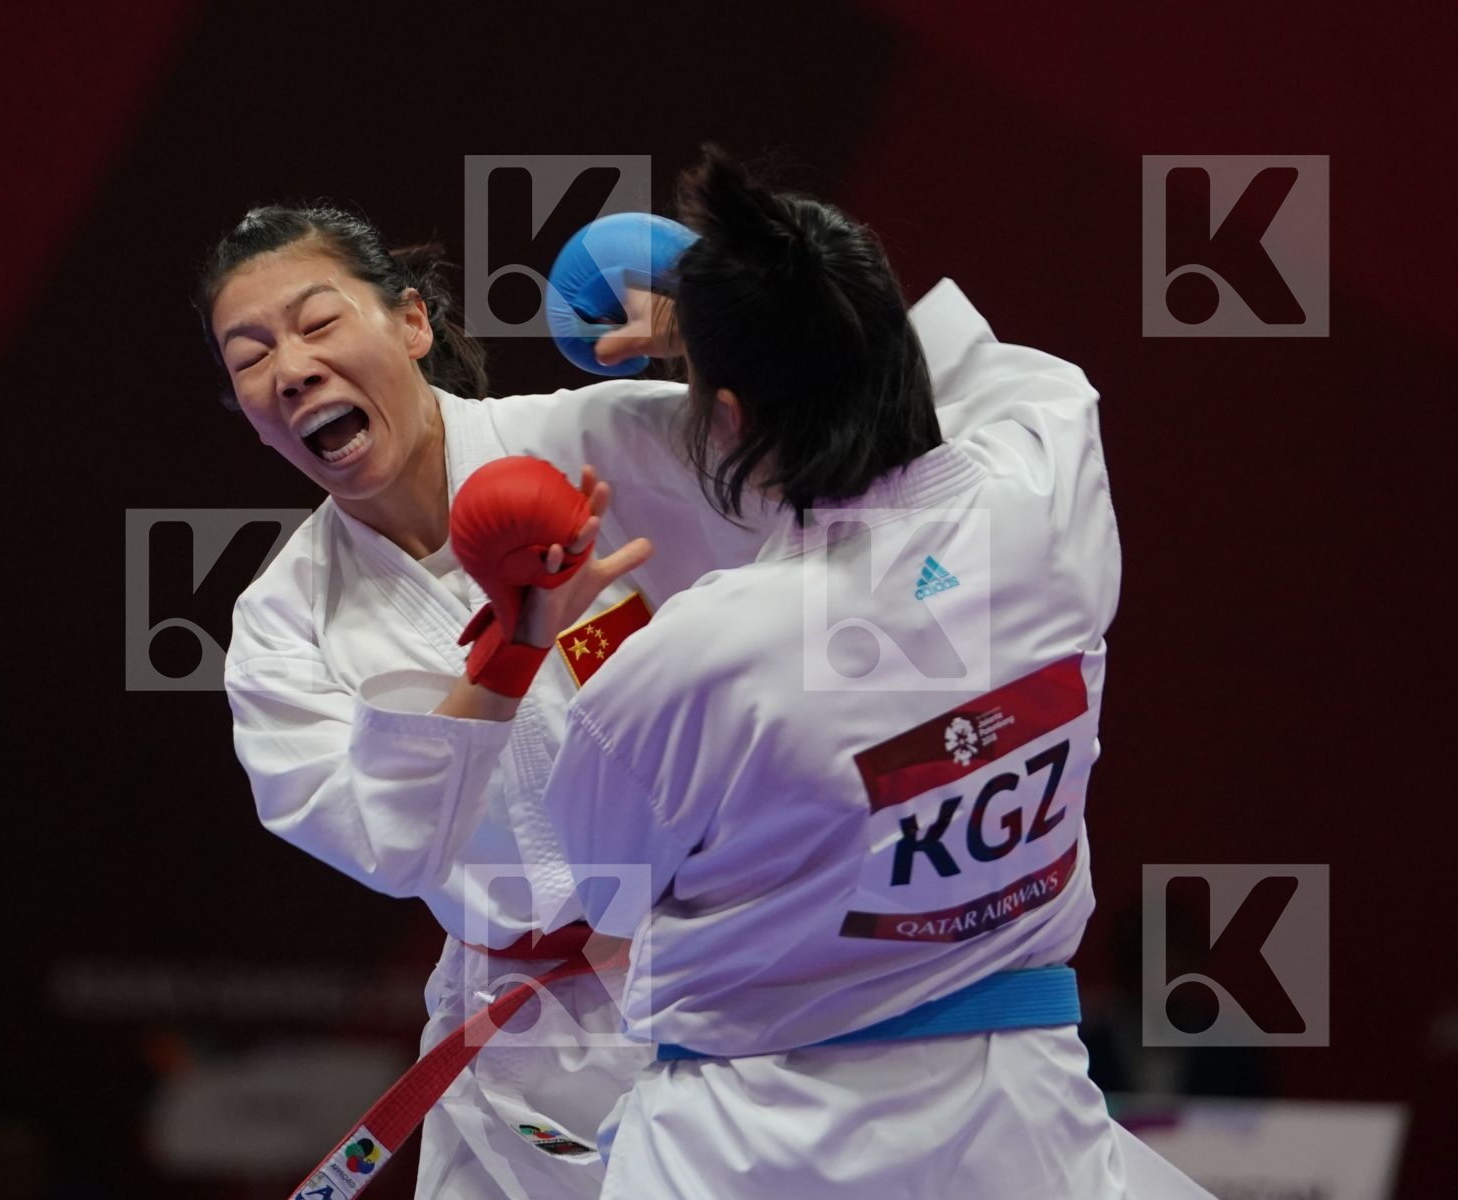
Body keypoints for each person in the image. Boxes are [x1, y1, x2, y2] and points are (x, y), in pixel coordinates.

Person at [416, 147, 1217, 1197]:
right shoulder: (1047, 492)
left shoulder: (691, 660)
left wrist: (534, 644)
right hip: (1021, 1127)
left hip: (750, 1145)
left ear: (733, 418)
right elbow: (1004, 372)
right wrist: (748, 309)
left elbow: (598, 891)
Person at [198, 198, 778, 1198]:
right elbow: (389, 842)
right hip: (529, 1051)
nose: (290, 369)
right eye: (250, 359)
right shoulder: (283, 621)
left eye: (318, 322)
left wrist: (734, 353)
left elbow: (860, 485)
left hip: (741, 980)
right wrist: (510, 655)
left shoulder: (597, 443)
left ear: (413, 324)